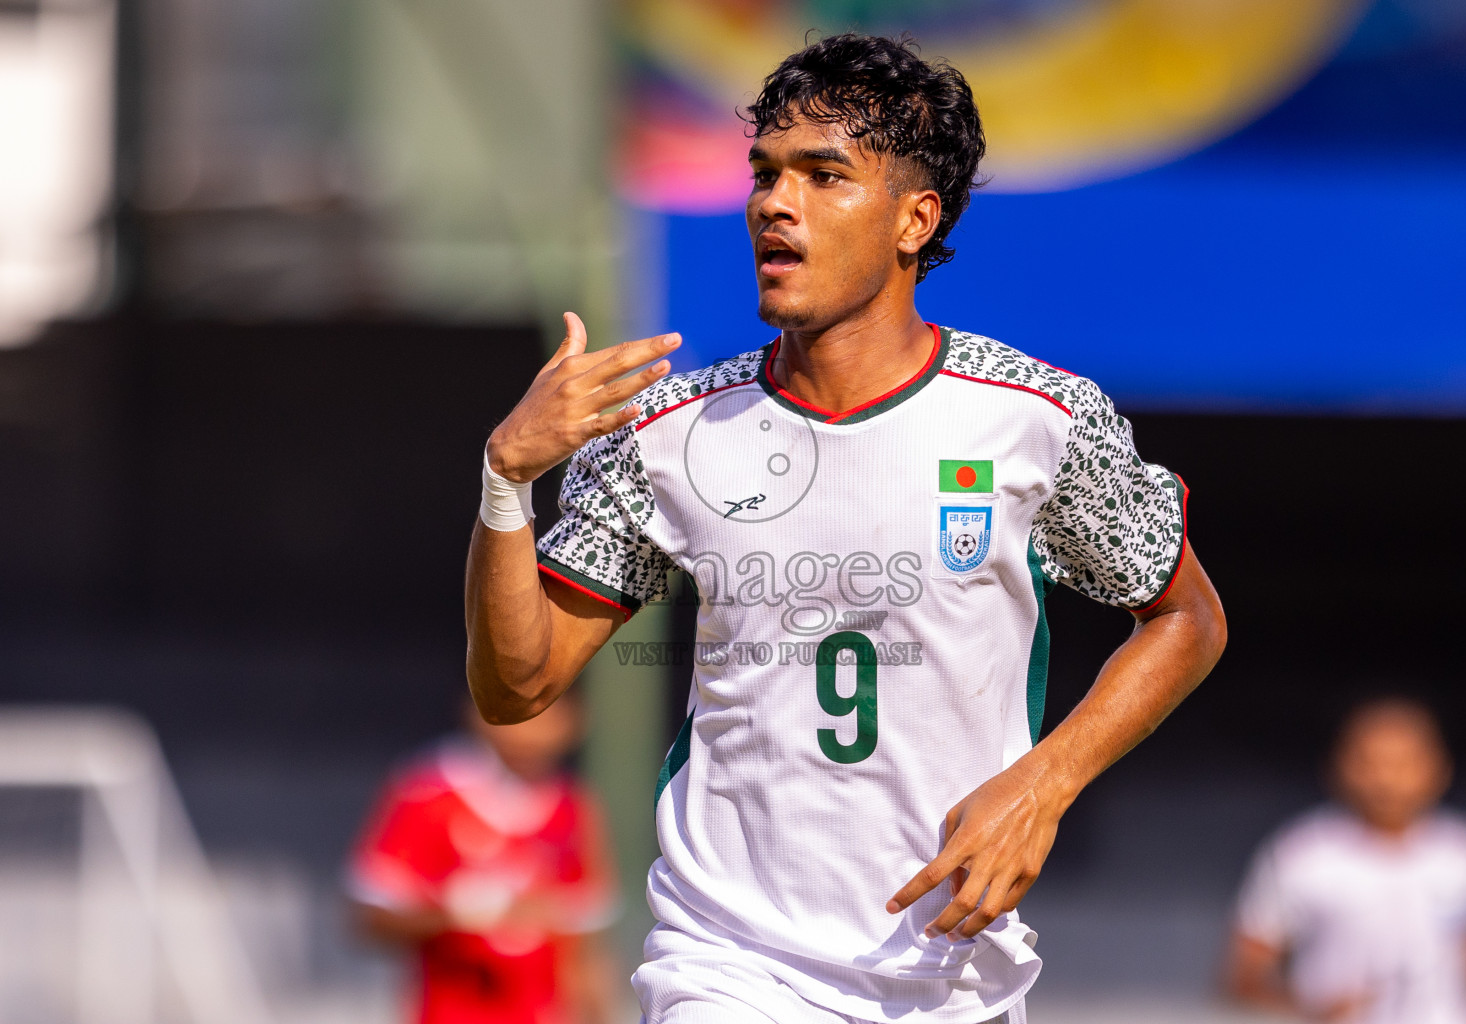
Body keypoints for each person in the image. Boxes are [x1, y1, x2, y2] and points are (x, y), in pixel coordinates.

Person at [465, 33, 1227, 1024]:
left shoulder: (1038, 418)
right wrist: (506, 479)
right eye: (765, 174)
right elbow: (514, 684)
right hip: (728, 963)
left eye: (825, 176)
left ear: (916, 218)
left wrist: (1044, 782)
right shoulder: (669, 432)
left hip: (951, 976)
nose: (776, 204)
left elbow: (1186, 620)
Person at [1227, 697, 1466, 1024]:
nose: (1386, 780)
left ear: (1441, 768)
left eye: (1404, 764)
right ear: (1337, 766)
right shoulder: (1298, 853)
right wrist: (1310, 1009)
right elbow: (1243, 977)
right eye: (1369, 762)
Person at [349, 693, 618, 1024]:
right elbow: (370, 917)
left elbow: (584, 952)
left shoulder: (575, 810)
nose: (530, 730)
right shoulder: (427, 793)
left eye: (547, 711)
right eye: (520, 709)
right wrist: (458, 915)